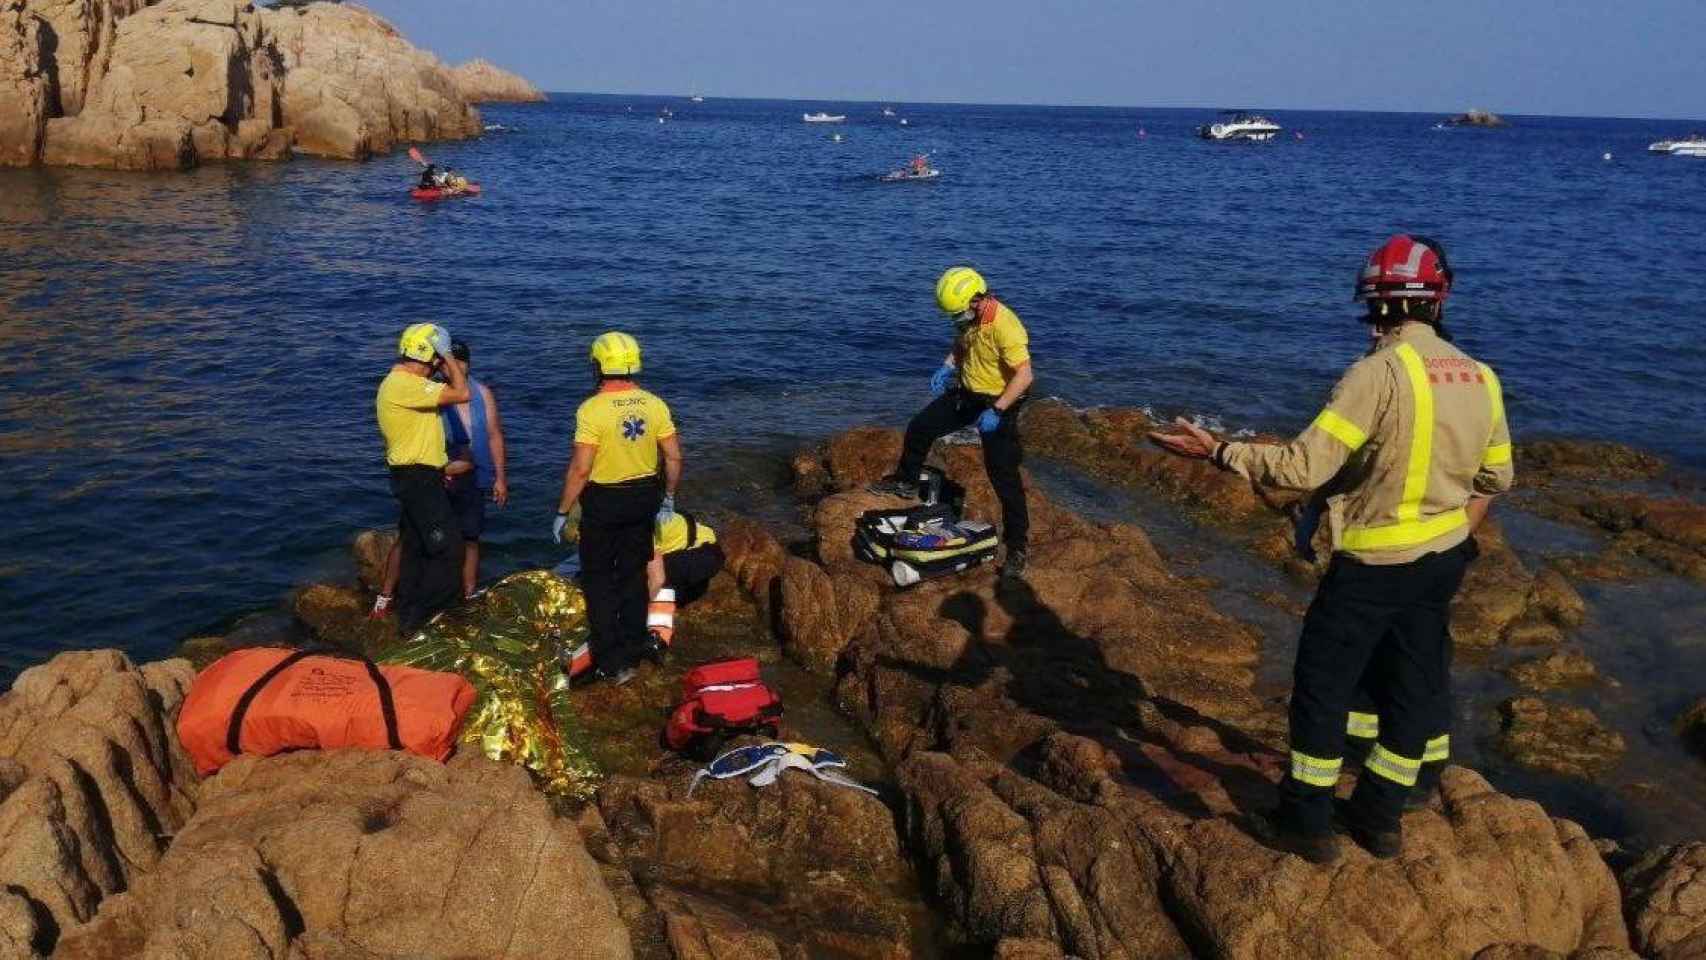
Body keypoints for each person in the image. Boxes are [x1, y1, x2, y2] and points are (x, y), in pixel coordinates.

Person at [1148, 235, 1513, 863]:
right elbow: (1496, 479)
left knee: (1323, 688)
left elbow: (1300, 467)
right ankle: (1380, 818)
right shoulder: (1480, 376)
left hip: (1372, 567)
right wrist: (1447, 529)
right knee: (1410, 687)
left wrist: (1218, 450)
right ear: (1438, 298)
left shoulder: (1376, 375)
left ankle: (1306, 825)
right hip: (1443, 561)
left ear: (1373, 304)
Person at [869, 267, 1034, 581]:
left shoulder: (1006, 326)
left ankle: (1017, 548)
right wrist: (946, 367)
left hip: (1001, 401)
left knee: (1004, 477)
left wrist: (998, 410)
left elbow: (1025, 376)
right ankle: (905, 481)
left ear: (977, 300)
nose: (955, 319)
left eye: (958, 313)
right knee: (920, 426)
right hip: (969, 392)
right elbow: (962, 344)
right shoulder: (970, 318)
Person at [554, 332, 682, 686]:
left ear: (597, 366)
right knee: (632, 575)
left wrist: (563, 510)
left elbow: (581, 469)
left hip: (604, 502)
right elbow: (672, 457)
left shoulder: (591, 409)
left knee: (598, 579)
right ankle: (632, 650)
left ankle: (610, 661)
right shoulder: (654, 404)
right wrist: (668, 496)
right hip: (644, 498)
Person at [371, 339, 508, 614]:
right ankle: (388, 595)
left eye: (460, 362)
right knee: (414, 539)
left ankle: (466, 594)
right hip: (435, 478)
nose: (453, 367)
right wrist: (441, 470)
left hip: (470, 477)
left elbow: (494, 435)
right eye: (447, 362)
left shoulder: (482, 393)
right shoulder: (427, 389)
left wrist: (500, 477)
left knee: (469, 537)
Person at [376, 323, 471, 634]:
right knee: (449, 548)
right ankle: (428, 615)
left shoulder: (402, 384)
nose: (439, 366)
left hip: (418, 476)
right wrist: (447, 354)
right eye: (436, 359)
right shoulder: (405, 384)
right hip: (417, 479)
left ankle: (407, 615)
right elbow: (462, 391)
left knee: (416, 547)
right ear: (428, 355)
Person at [645, 511, 725, 651]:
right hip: (691, 550)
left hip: (702, 553)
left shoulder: (634, 528)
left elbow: (658, 579)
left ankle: (658, 639)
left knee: (654, 579)